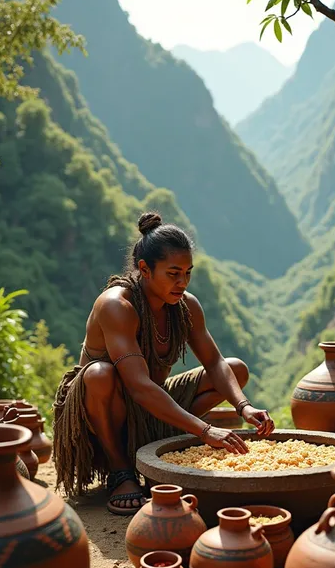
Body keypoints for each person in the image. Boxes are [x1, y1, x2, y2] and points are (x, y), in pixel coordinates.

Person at [53, 212, 275, 515]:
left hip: (148, 410)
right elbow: (139, 387)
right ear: (144, 269)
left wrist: (244, 407)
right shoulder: (117, 306)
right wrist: (206, 431)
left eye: (187, 273)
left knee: (236, 369)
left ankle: (159, 447)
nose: (182, 282)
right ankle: (121, 471)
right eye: (173, 274)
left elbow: (214, 361)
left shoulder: (185, 306)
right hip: (103, 415)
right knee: (100, 374)